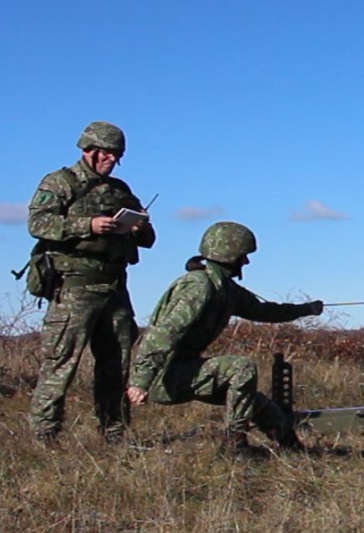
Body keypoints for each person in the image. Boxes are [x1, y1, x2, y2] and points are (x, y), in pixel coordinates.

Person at [126, 221, 323, 459]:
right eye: (243, 256)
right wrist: (140, 381)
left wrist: (305, 309)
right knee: (241, 368)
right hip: (163, 376)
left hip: (179, 370)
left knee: (258, 403)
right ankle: (234, 447)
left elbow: (264, 311)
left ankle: (294, 450)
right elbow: (164, 335)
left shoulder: (224, 289)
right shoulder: (199, 287)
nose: (246, 262)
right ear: (230, 255)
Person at [29, 121, 156, 444]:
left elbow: (149, 240)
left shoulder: (120, 190)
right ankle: (45, 436)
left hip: (115, 289)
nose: (111, 160)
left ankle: (114, 432)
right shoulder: (60, 183)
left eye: (117, 155)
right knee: (60, 364)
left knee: (116, 365)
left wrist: (140, 228)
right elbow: (38, 222)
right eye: (107, 154)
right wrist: (87, 225)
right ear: (89, 150)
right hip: (75, 288)